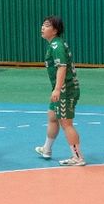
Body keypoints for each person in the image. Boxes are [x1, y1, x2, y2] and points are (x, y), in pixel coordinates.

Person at [34, 16, 85, 166]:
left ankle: (77, 157)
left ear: (55, 30)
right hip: (61, 89)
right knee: (52, 116)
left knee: (66, 123)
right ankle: (46, 149)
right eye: (43, 25)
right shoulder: (54, 44)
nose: (42, 28)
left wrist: (57, 89)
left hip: (65, 90)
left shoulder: (57, 46)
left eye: (46, 25)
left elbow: (62, 68)